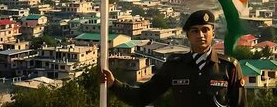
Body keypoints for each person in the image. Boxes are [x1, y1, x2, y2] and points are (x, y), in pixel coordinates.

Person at [99, 9, 247, 107]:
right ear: (187, 35)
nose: (200, 35)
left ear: (213, 33)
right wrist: (114, 84)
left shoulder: (229, 67)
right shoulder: (175, 66)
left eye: (205, 30)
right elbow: (143, 96)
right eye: (195, 31)